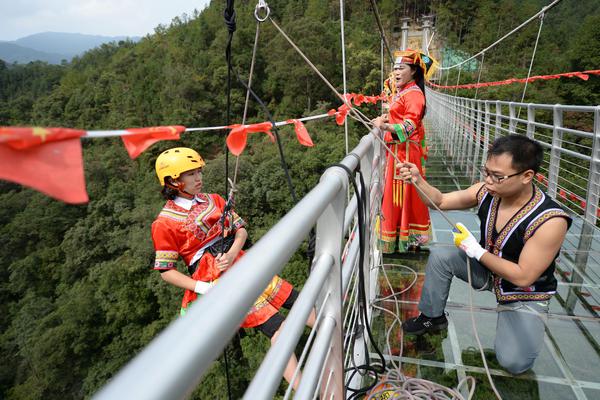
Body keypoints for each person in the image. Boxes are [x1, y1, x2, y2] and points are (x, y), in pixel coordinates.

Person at [399, 135, 571, 375]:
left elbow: (523, 277)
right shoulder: (487, 192)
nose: (488, 181)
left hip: (523, 293)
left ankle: (528, 326)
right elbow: (438, 200)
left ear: (527, 176)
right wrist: (417, 180)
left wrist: (475, 250)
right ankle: (432, 316)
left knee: (514, 363)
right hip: (488, 271)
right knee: (441, 256)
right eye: (486, 172)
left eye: (497, 176)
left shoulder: (550, 221)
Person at [151, 147, 315, 389]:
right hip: (216, 280)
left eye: (198, 172)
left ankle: (340, 335)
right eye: (191, 174)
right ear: (174, 181)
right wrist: (203, 288)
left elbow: (241, 230)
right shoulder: (164, 223)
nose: (199, 178)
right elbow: (167, 271)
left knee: (297, 299)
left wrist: (231, 252)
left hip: (240, 262)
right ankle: (306, 391)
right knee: (277, 327)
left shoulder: (213, 199)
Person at [372, 49, 437, 253]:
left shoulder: (414, 95)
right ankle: (402, 234)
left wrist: (384, 127)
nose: (396, 72)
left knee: (403, 193)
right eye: (395, 68)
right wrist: (386, 119)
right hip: (399, 149)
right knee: (399, 194)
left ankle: (405, 237)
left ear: (414, 72)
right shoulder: (405, 92)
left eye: (401, 68)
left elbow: (409, 126)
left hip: (406, 152)